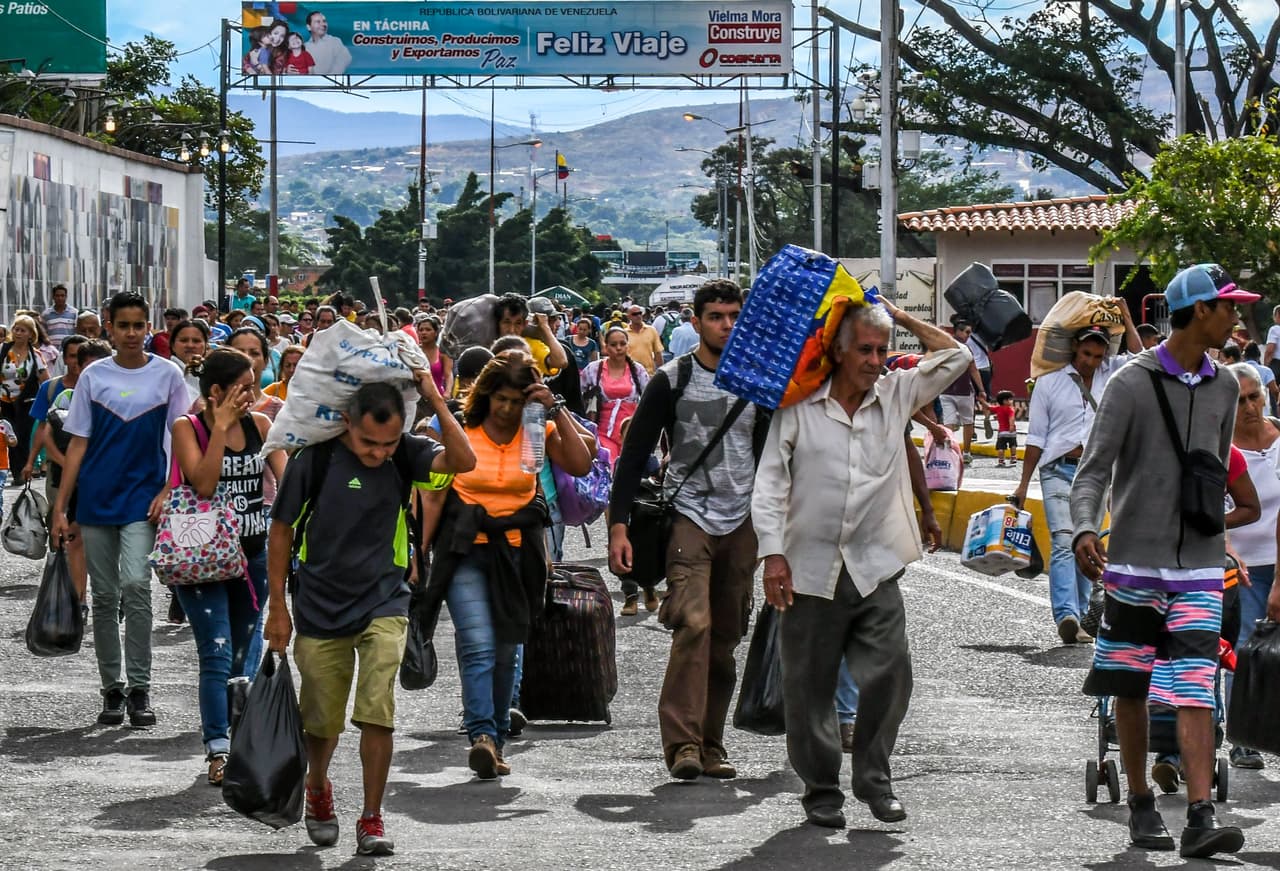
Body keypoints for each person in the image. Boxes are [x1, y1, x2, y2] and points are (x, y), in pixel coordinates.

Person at [753, 298, 969, 829]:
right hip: (808, 568)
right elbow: (770, 484)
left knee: (890, 674)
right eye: (865, 349)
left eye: (882, 349)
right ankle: (821, 789)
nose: (876, 360)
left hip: (875, 565)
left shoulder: (896, 395)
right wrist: (772, 553)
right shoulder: (799, 406)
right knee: (808, 688)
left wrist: (901, 317)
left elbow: (958, 356)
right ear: (839, 351)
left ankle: (874, 778)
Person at [1071, 263, 1257, 859]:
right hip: (1134, 566)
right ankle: (1140, 803)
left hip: (1201, 564)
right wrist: (1082, 529)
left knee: (1197, 687)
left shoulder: (1227, 386)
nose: (1237, 317)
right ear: (1200, 310)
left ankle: (1201, 815)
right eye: (1229, 306)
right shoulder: (1129, 383)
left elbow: (1216, 468)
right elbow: (1095, 468)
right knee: (1130, 686)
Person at [265, 377, 474, 856]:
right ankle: (318, 787)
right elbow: (280, 533)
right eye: (368, 442)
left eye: (388, 442)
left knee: (377, 709)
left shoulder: (408, 453)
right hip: (319, 605)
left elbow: (463, 461)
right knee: (321, 720)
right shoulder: (313, 461)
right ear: (345, 423)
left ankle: (372, 818)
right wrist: (277, 607)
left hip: (386, 599)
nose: (379, 453)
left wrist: (435, 399)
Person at [609, 279, 770, 781]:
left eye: (733, 316)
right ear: (695, 322)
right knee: (693, 623)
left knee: (724, 635)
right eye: (716, 316)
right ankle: (682, 745)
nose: (726, 324)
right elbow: (634, 455)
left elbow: (775, 456)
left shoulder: (758, 382)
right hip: (689, 515)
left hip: (743, 521)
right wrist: (618, 526)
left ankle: (711, 744)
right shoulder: (672, 379)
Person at [423, 350, 592, 779]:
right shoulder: (461, 428)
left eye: (517, 401)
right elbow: (433, 493)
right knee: (477, 642)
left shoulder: (538, 429)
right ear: (487, 394)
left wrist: (553, 406)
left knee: (507, 646)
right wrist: (418, 557)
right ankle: (480, 734)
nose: (507, 409)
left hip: (519, 553)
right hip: (465, 551)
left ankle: (496, 738)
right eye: (501, 399)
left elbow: (580, 463)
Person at [51, 291, 191, 728]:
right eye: (123, 325)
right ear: (108, 328)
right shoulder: (94, 377)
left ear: (149, 328)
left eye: (139, 325)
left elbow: (183, 439)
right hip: (95, 499)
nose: (131, 333)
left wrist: (169, 490)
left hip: (143, 499)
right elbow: (77, 444)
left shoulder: (169, 375)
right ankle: (113, 688)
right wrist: (61, 507)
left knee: (136, 583)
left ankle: (141, 687)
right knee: (106, 594)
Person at [171, 347, 286, 785]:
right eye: (244, 387)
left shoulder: (261, 425)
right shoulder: (188, 427)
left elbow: (286, 478)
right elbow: (201, 483)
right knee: (216, 654)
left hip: (253, 557)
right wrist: (218, 429)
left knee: (245, 653)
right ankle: (217, 750)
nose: (254, 394)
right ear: (217, 392)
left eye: (255, 384)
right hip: (203, 560)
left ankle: (244, 744)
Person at [1011, 303, 1141, 646]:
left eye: (1098, 356)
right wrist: (1023, 484)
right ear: (1073, 348)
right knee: (1064, 540)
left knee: (1090, 545)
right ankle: (1066, 614)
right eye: (1086, 353)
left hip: (1096, 474)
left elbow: (1145, 359)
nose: (1091, 362)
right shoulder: (1048, 383)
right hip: (1057, 470)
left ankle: (1082, 616)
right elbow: (1036, 437)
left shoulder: (1113, 376)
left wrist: (1126, 320)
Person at [1219, 363, 1279, 771]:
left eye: (1254, 396)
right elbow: (1210, 511)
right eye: (1238, 401)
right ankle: (1242, 737)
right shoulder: (1219, 449)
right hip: (1240, 567)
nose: (1249, 407)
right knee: (1240, 650)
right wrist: (1227, 551)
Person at [581, 327, 649, 467]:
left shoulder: (638, 370)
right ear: (605, 347)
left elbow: (650, 401)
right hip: (602, 431)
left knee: (627, 472)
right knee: (607, 468)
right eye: (613, 345)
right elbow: (579, 395)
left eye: (622, 344)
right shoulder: (594, 369)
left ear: (627, 345)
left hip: (630, 433)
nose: (618, 348)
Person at [0, 314, 49, 476]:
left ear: (31, 334)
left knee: (23, 435)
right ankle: (17, 470)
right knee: (9, 433)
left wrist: (48, 400)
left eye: (22, 330)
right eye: (16, 329)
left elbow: (45, 379)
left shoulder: (36, 355)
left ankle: (21, 470)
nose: (18, 333)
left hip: (27, 402)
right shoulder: (3, 350)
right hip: (4, 401)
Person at [937, 319, 986, 463]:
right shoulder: (965, 349)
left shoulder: (944, 346)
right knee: (967, 422)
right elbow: (973, 370)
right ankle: (966, 452)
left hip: (946, 390)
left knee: (949, 422)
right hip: (963, 391)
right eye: (967, 332)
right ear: (958, 331)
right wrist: (981, 390)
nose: (968, 336)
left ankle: (950, 451)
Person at [503, 295, 567, 375]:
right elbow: (561, 361)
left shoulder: (545, 345)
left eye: (556, 319)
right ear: (534, 321)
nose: (556, 325)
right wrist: (545, 328)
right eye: (550, 320)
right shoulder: (530, 345)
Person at [169, 319, 211, 410]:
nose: (190, 345)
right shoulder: (164, 374)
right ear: (173, 345)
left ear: (206, 345)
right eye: (184, 340)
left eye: (196, 341)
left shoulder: (212, 374)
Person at [304, 10, 352, 75]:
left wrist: (328, 79)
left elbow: (345, 59)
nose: (323, 24)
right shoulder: (305, 47)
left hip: (332, 83)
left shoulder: (335, 42)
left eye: (324, 21)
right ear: (309, 27)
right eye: (318, 22)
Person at [416, 315, 453, 398]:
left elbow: (448, 375)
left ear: (436, 333)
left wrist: (448, 392)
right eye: (421, 330)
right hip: (416, 400)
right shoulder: (413, 351)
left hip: (438, 397)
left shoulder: (443, 352)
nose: (423, 332)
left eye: (428, 330)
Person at [623, 304, 665, 375]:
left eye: (640, 313)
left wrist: (661, 372)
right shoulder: (624, 333)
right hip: (630, 374)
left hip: (649, 373)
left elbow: (658, 353)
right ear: (629, 317)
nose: (638, 316)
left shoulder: (651, 330)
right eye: (635, 314)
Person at [1242, 342, 1278, 414]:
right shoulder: (1266, 371)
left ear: (1244, 357)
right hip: (1263, 414)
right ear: (1258, 357)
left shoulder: (1237, 371)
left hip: (1243, 415)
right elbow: (1275, 391)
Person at [41, 284, 78, 351]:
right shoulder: (46, 314)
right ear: (53, 297)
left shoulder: (74, 313)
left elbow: (76, 331)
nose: (60, 298)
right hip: (51, 350)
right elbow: (43, 333)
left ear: (66, 297)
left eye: (62, 296)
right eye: (57, 296)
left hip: (68, 349)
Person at [993, 390, 1018, 467]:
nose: (1011, 401)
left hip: (1002, 432)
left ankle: (1001, 461)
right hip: (1011, 432)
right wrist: (1011, 426)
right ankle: (1013, 458)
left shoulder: (998, 408)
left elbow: (988, 407)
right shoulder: (1010, 409)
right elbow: (1011, 418)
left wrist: (982, 401)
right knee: (1013, 445)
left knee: (1001, 447)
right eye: (1010, 399)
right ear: (1005, 401)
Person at [1263, 303, 1280, 382]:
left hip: (1277, 364)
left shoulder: (1275, 329)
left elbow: (1270, 350)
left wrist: (1265, 365)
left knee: (1274, 392)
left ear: (1277, 316)